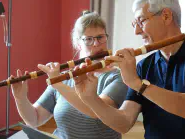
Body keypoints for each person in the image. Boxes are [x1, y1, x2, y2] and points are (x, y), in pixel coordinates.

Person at [74, 0, 185, 139]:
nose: (137, 32)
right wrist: (90, 98)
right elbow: (124, 123)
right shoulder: (145, 66)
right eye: (135, 24)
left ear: (166, 16)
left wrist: (137, 83)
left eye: (141, 21)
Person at [11, 11, 128, 139]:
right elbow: (34, 119)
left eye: (100, 37)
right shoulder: (63, 79)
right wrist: (20, 98)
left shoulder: (117, 77)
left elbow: (95, 111)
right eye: (88, 39)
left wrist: (57, 83)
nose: (96, 44)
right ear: (78, 44)